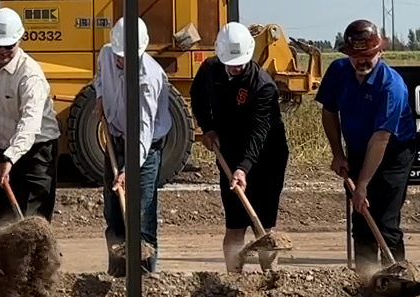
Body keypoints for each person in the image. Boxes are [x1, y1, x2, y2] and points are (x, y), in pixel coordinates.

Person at [316, 19, 416, 273]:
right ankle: (365, 278)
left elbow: (380, 139)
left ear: (379, 52)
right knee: (360, 221)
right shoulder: (338, 71)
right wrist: (338, 154)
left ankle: (398, 276)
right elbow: (329, 112)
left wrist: (362, 186)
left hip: (393, 154)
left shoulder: (391, 86)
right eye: (355, 55)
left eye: (368, 55)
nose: (362, 61)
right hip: (358, 151)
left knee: (385, 221)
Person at [191, 22, 290, 273]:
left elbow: (259, 132)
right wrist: (208, 128)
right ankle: (233, 279)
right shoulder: (209, 70)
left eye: (240, 62)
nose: (235, 67)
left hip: (267, 155)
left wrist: (243, 168)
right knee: (235, 224)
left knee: (264, 226)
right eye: (230, 62)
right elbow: (198, 97)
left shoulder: (263, 86)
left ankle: (271, 280)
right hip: (229, 148)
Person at [95, 17, 175, 277]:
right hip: (116, 139)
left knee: (141, 216)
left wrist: (129, 170)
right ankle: (117, 275)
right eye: (118, 55)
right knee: (114, 213)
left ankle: (144, 277)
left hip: (145, 148)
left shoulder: (149, 79)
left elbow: (143, 131)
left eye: (126, 56)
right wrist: (99, 97)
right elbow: (99, 78)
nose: (120, 61)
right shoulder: (106, 55)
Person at [0, 8, 60, 235]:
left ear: (19, 41)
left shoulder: (30, 75)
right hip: (1, 146)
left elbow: (29, 124)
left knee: (30, 219)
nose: (1, 51)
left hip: (37, 151)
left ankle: (34, 269)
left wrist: (9, 160)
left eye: (8, 46)